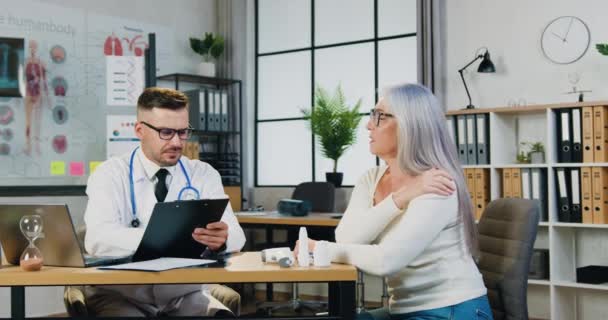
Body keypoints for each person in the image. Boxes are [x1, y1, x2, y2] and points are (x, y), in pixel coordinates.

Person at [295, 83, 493, 320]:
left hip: (450, 309)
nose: (369, 125)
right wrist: (399, 198)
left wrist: (320, 248)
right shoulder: (371, 179)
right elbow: (347, 237)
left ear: (410, 126)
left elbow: (386, 260)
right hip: (403, 311)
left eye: (380, 117)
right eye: (372, 115)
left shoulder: (438, 184)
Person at [83, 87, 246, 317]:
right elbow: (97, 239)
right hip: (123, 294)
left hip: (184, 294)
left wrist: (221, 240)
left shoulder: (203, 174)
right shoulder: (110, 174)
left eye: (183, 132)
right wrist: (167, 238)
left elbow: (238, 235)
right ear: (140, 130)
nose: (177, 142)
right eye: (167, 132)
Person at [23, 39, 49, 156]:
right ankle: (28, 146)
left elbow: (44, 81)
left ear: (36, 48)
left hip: (38, 94)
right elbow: (22, 80)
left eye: (34, 46)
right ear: (29, 48)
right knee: (28, 122)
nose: (32, 49)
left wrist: (48, 98)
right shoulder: (26, 62)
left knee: (37, 122)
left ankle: (37, 146)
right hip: (28, 94)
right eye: (30, 47)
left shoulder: (41, 63)